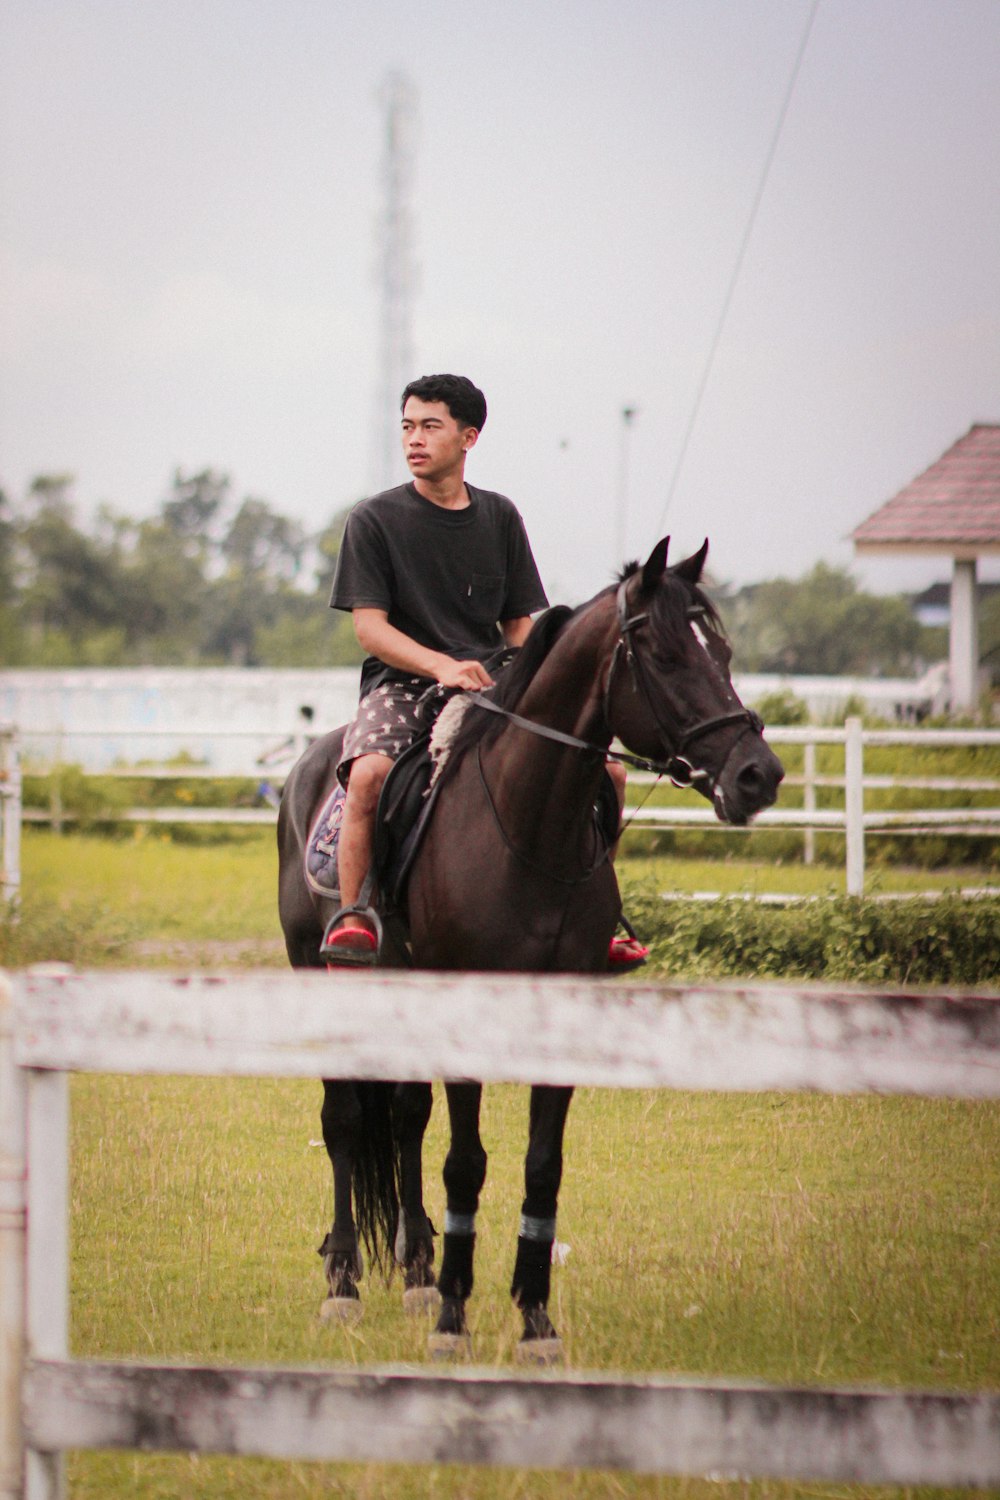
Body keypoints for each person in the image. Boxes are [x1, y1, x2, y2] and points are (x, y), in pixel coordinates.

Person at [325, 372, 647, 971]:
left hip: (491, 677)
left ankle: (597, 913)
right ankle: (355, 915)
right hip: (404, 680)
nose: (414, 439)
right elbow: (370, 629)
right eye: (407, 427)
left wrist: (544, 676)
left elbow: (520, 627)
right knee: (369, 773)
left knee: (607, 772)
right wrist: (442, 664)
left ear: (469, 437)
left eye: (430, 426)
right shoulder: (373, 520)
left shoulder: (499, 516)